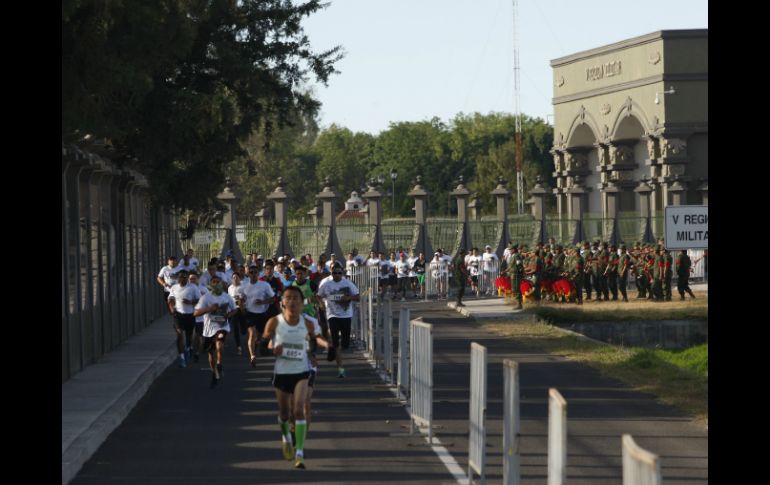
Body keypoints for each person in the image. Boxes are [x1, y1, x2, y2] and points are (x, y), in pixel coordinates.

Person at [259, 285, 323, 469]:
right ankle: (286, 436)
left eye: (296, 298)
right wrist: (273, 350)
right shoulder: (275, 322)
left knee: (301, 407)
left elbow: (314, 341)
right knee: (285, 413)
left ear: (302, 303)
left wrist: (312, 354)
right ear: (282, 303)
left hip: (304, 369)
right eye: (289, 298)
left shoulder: (310, 322)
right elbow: (263, 348)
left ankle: (300, 451)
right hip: (283, 371)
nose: (292, 302)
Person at [316, 263, 360, 378]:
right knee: (335, 340)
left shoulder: (347, 283)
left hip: (346, 315)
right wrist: (321, 304)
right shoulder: (326, 283)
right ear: (331, 273)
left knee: (345, 344)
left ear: (342, 273)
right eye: (334, 273)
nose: (336, 275)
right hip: (332, 315)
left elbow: (357, 296)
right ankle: (340, 369)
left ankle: (334, 349)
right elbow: (318, 295)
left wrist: (348, 298)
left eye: (339, 273)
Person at [194, 275, 237, 388]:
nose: (216, 284)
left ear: (221, 284)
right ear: (210, 284)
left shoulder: (227, 297)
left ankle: (219, 363)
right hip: (209, 329)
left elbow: (234, 309)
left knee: (219, 342)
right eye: (214, 282)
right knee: (211, 353)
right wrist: (209, 309)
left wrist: (228, 314)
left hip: (222, 325)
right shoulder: (206, 298)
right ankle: (214, 372)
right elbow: (195, 313)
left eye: (218, 282)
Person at [241, 265, 275, 367]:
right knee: (252, 334)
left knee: (259, 336)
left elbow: (273, 298)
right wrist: (241, 305)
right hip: (249, 313)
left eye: (255, 272)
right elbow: (242, 299)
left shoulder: (264, 285)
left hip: (262, 313)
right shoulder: (244, 286)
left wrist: (263, 302)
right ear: (248, 274)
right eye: (251, 272)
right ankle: (252, 356)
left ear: (258, 274)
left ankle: (257, 344)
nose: (253, 274)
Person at [166, 269, 200, 368]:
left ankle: (188, 347)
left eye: (184, 277)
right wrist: (172, 308)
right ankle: (181, 357)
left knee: (189, 337)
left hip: (189, 315)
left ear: (187, 278)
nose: (182, 279)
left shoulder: (193, 287)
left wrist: (190, 302)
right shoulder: (174, 287)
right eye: (180, 277)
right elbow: (171, 299)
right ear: (178, 278)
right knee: (180, 335)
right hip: (178, 315)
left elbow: (199, 300)